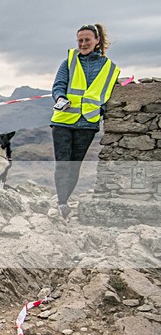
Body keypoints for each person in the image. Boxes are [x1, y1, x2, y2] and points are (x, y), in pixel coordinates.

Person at [49, 23, 120, 221]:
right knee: (63, 163)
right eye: (80, 40)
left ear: (97, 41)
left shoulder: (110, 68)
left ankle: (65, 200)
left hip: (87, 123)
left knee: (74, 165)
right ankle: (61, 203)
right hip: (63, 121)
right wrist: (60, 99)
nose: (83, 43)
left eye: (87, 40)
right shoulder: (69, 62)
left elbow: (107, 95)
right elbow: (58, 86)